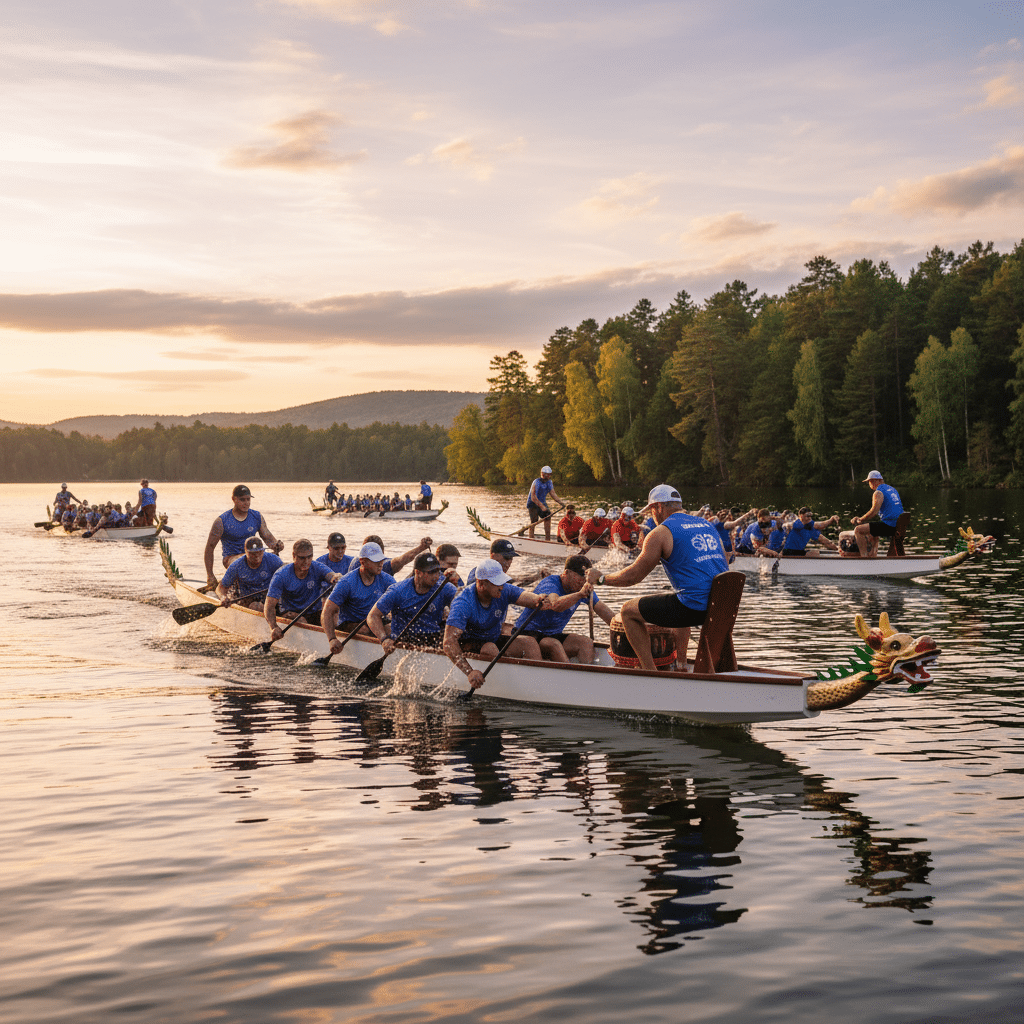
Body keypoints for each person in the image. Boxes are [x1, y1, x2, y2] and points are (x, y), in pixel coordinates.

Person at [586, 484, 730, 671]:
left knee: (628, 611)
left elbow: (634, 576)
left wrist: (602, 579)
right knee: (679, 596)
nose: (651, 516)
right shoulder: (708, 525)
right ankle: (682, 665)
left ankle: (650, 673)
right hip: (722, 605)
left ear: (658, 507)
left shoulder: (661, 533)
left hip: (694, 608)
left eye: (651, 511)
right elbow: (725, 561)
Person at [442, 559, 556, 692]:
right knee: (490, 648)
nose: (501, 586)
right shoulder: (463, 603)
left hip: (492, 637)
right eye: (497, 583)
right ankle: (510, 687)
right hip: (468, 642)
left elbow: (527, 597)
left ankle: (538, 687)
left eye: (502, 581)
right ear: (481, 584)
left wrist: (539, 599)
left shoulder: (503, 590)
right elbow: (448, 642)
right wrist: (469, 672)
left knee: (529, 643)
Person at [514, 554, 615, 664]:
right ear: (566, 573)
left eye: (586, 577)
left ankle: (586, 677)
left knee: (586, 643)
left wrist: (623, 630)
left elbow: (605, 612)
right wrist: (579, 595)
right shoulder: (550, 583)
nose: (583, 581)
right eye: (580, 575)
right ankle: (570, 678)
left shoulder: (583, 588)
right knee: (554, 645)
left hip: (552, 635)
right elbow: (556, 605)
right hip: (527, 634)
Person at [367, 551, 459, 652]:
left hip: (433, 638)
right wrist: (384, 639)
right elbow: (373, 616)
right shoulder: (398, 591)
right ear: (418, 572)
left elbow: (463, 603)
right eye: (431, 572)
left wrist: (457, 585)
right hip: (404, 640)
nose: (436, 576)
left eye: (438, 571)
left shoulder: (444, 587)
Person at [204, 485, 284, 589]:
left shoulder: (256, 516)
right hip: (231, 558)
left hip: (254, 554)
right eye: (242, 500)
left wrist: (278, 545)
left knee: (279, 564)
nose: (246, 503)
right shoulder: (221, 521)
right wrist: (210, 575)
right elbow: (209, 549)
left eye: (248, 499)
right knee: (247, 560)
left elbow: (269, 539)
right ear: (234, 499)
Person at [323, 541, 397, 645]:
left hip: (374, 620)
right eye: (376, 561)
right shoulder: (347, 582)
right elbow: (327, 612)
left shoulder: (388, 580)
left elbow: (402, 604)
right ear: (363, 562)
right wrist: (332, 639)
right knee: (363, 630)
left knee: (392, 629)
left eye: (381, 560)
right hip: (350, 623)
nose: (381, 564)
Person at [264, 539, 343, 635]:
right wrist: (273, 627)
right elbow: (269, 606)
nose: (306, 561)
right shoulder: (281, 575)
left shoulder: (317, 567)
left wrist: (336, 577)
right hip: (290, 613)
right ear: (293, 556)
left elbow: (331, 576)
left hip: (313, 613)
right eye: (302, 558)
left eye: (309, 557)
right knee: (301, 620)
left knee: (335, 616)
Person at [217, 536, 285, 608]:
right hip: (248, 599)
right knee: (256, 606)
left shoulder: (274, 560)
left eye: (259, 552)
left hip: (269, 597)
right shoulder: (236, 566)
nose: (256, 556)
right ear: (245, 551)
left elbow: (288, 577)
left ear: (263, 550)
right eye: (252, 553)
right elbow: (221, 587)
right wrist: (223, 598)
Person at [852, 470, 905, 557]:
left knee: (858, 530)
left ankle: (864, 558)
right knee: (873, 531)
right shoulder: (892, 489)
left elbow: (874, 511)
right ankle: (873, 556)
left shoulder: (878, 492)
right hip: (899, 525)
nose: (869, 484)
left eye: (870, 481)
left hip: (890, 526)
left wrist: (860, 519)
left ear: (875, 481)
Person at [362, 534, 432, 577]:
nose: (379, 563)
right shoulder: (384, 566)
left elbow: (401, 560)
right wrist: (421, 547)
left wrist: (422, 547)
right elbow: (401, 560)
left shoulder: (354, 562)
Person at [526, 466, 564, 540]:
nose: (548, 476)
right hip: (532, 503)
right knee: (534, 520)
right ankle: (531, 537)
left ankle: (547, 538)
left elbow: (552, 493)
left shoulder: (549, 482)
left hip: (542, 503)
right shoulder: (536, 482)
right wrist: (542, 506)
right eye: (546, 474)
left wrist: (561, 502)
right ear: (542, 474)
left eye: (549, 475)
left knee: (548, 517)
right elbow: (533, 497)